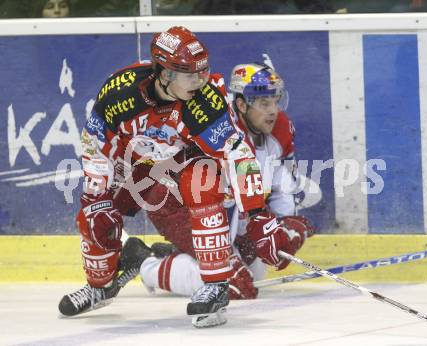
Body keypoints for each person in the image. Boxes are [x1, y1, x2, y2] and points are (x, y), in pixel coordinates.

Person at [57, 27, 298, 328]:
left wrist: (258, 213)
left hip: (181, 162)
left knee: (203, 181)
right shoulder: (120, 93)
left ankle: (215, 285)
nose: (200, 80)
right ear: (164, 73)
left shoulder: (204, 100)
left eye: (203, 71)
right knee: (96, 219)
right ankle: (100, 285)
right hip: (132, 165)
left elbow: (238, 155)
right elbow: (94, 144)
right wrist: (96, 195)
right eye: (189, 73)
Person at [139, 63, 315, 300]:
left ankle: (180, 254)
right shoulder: (221, 129)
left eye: (276, 101)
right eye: (264, 103)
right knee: (232, 285)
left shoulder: (280, 128)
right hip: (175, 204)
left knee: (257, 267)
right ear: (241, 104)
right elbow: (221, 199)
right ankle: (143, 263)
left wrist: (284, 226)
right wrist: (228, 259)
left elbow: (279, 180)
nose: (273, 110)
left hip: (221, 207)